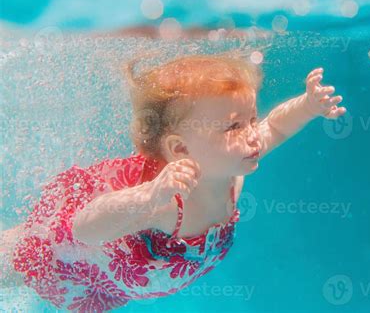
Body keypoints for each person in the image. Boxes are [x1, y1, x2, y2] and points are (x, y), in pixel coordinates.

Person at [1, 52, 345, 311]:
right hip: (66, 257)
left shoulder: (231, 168)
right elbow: (82, 230)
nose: (254, 135)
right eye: (233, 126)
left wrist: (307, 105)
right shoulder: (168, 202)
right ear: (181, 149)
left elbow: (276, 126)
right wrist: (149, 195)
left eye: (251, 120)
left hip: (112, 283)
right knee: (12, 259)